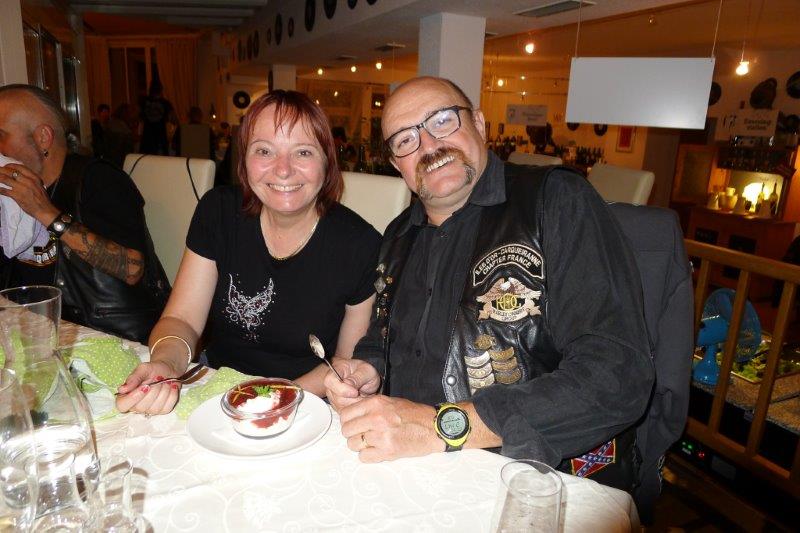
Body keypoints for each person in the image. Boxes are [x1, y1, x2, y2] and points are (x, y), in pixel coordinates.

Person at [324, 76, 655, 492]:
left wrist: (443, 426)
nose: (429, 145)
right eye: (405, 139)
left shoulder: (556, 200)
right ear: (396, 164)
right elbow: (384, 334)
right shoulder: (397, 236)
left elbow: (617, 375)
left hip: (529, 476)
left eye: (441, 121)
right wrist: (368, 367)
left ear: (478, 124)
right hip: (412, 467)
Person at [116, 90, 382, 415]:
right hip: (217, 384)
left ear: (327, 163)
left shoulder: (361, 245)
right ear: (243, 160)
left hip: (306, 400)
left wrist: (269, 399)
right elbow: (181, 319)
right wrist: (166, 364)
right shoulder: (218, 213)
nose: (283, 170)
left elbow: (344, 363)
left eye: (303, 152)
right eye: (264, 151)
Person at [0, 85, 170, 343]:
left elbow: (132, 268)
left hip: (109, 336)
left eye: (1, 136)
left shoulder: (99, 180)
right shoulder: (9, 197)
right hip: (36, 332)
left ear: (43, 138)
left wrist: (45, 212)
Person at [139, 82, 175, 155]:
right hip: (160, 140)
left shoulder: (143, 102)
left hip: (147, 139)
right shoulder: (165, 103)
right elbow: (174, 119)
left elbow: (136, 117)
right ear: (161, 90)